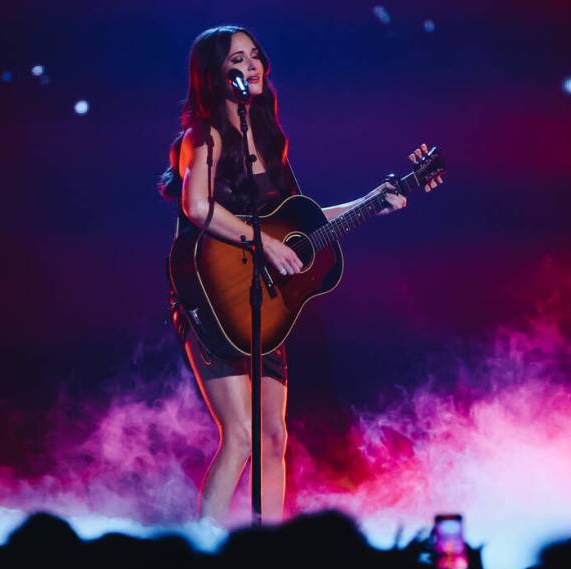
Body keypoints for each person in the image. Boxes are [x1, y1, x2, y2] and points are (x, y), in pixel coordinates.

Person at [159, 25, 439, 529]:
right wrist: (261, 241)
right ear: (214, 76)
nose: (251, 66)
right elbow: (197, 207)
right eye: (236, 60)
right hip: (211, 296)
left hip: (263, 306)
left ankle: (266, 550)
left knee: (273, 438)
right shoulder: (201, 137)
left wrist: (374, 203)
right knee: (240, 436)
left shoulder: (268, 140)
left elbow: (302, 223)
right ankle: (202, 550)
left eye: (255, 56)